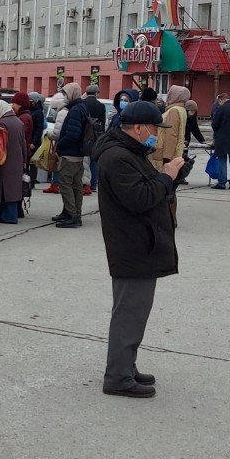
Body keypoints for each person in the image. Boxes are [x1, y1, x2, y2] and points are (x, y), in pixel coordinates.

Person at [91, 101, 185, 399]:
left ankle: (125, 367)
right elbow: (140, 198)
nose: (156, 133)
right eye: (155, 128)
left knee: (134, 312)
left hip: (138, 243)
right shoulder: (118, 157)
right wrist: (166, 177)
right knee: (129, 313)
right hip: (133, 246)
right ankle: (118, 376)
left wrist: (172, 178)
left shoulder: (129, 151)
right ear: (138, 128)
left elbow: (146, 189)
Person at [52, 83, 92, 228]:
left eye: (66, 94)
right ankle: (70, 213)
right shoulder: (81, 107)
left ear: (72, 94)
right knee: (76, 186)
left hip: (70, 154)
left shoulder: (75, 110)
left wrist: (60, 146)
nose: (64, 97)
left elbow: (72, 134)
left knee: (66, 185)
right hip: (78, 154)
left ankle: (73, 216)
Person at [0, 100, 27, 224]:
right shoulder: (18, 121)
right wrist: (24, 159)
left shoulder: (2, 122)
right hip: (18, 159)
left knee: (2, 187)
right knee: (14, 187)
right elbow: (23, 143)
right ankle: (10, 214)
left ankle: (7, 215)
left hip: (4, 159)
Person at [209, 93, 230, 191]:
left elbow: (215, 125)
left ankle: (222, 183)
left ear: (221, 100)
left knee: (222, 161)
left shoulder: (220, 109)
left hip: (223, 140)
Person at [151, 85, 189, 173]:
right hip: (171, 151)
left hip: (163, 152)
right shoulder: (181, 109)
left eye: (170, 93)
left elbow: (171, 134)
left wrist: (167, 157)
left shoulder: (174, 110)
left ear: (176, 95)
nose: (168, 95)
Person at [82, 85, 106, 191]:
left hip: (84, 134)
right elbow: (103, 122)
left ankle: (84, 183)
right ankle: (93, 184)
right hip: (96, 135)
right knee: (94, 160)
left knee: (84, 160)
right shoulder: (101, 106)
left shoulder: (82, 104)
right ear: (96, 93)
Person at [27, 92, 47, 189]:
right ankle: (26, 180)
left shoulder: (38, 113)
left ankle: (31, 182)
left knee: (32, 163)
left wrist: (34, 142)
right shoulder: (30, 111)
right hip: (29, 140)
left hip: (34, 141)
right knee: (27, 161)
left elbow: (39, 129)